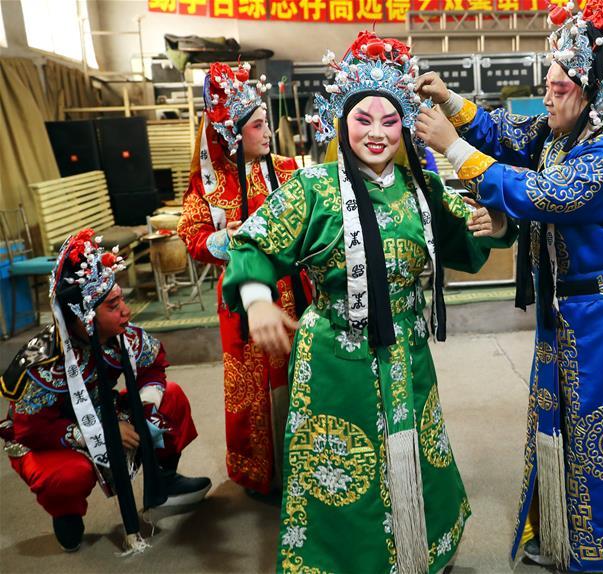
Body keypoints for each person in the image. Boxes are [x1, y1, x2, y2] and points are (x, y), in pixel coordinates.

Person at [415, 1, 603, 572]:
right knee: (563, 424)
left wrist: (451, 146)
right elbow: (507, 134)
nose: (547, 97)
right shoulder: (559, 134)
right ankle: (569, 533)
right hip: (567, 314)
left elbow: (540, 194)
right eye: (547, 84)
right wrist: (451, 102)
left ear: (593, 93)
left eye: (560, 87)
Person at [221, 31, 512, 573]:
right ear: (341, 123)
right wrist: (258, 298)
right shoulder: (313, 188)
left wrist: (493, 223)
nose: (377, 133)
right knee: (343, 469)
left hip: (407, 350)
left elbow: (469, 237)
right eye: (363, 120)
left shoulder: (421, 187)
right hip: (334, 355)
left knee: (417, 451)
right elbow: (253, 241)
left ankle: (418, 550)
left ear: (405, 128)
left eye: (389, 121)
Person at [0, 229, 210, 553]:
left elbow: (154, 364)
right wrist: (103, 430)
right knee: (70, 476)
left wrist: (142, 410)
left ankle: (164, 477)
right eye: (114, 305)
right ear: (83, 319)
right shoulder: (43, 363)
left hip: (103, 409)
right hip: (52, 436)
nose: (126, 311)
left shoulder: (118, 334)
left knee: (173, 398)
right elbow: (31, 429)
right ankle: (66, 512)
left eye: (122, 299)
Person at [177, 62, 310, 495]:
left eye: (268, 123)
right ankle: (259, 474)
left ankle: (305, 465)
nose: (268, 133)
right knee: (251, 386)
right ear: (234, 134)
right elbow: (192, 236)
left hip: (296, 293)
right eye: (259, 125)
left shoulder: (288, 170)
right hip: (240, 303)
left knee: (300, 373)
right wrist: (222, 238)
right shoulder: (210, 185)